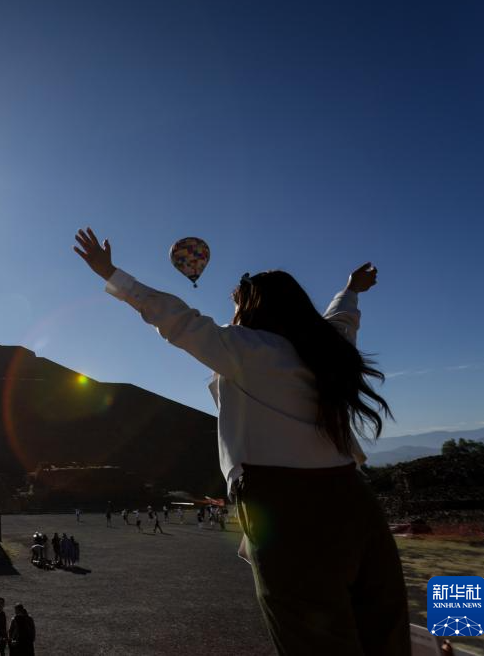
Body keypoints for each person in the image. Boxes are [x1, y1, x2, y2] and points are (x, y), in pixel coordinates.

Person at [74, 227, 409, 655]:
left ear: (252, 307)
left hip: (284, 508)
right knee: (383, 627)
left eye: (236, 304)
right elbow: (341, 319)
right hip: (353, 498)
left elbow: (175, 318)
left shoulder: (245, 349)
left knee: (315, 640)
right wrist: (351, 290)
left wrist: (112, 274)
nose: (232, 314)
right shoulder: (328, 347)